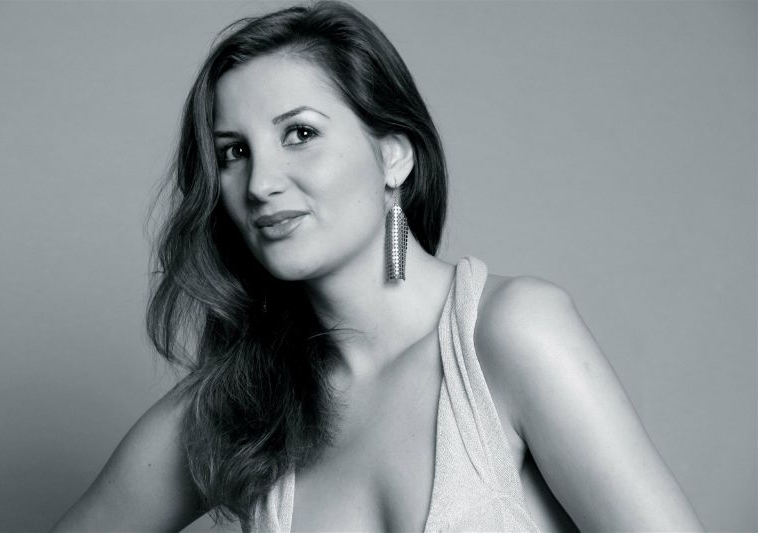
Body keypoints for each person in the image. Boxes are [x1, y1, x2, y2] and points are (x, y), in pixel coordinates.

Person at [51, 2, 705, 532]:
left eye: (299, 133)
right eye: (233, 152)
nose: (261, 183)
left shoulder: (509, 333)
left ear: (394, 155)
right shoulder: (234, 404)